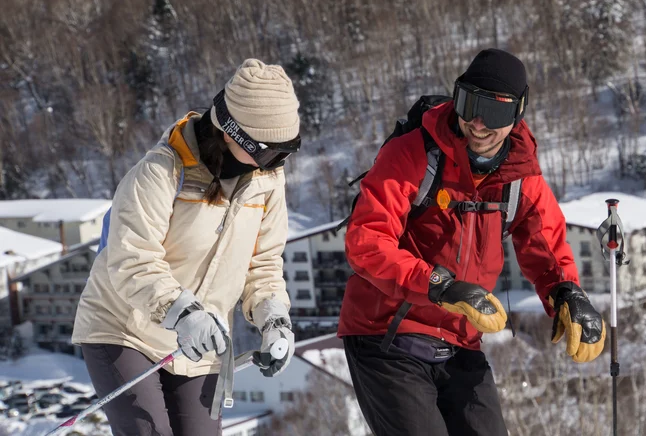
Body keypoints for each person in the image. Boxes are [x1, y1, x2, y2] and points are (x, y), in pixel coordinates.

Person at [339, 49, 607, 435]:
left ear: (517, 116)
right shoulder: (414, 154)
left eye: (495, 113)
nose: (478, 124)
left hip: (460, 340)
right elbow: (366, 241)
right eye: (469, 105)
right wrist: (438, 285)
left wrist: (567, 293)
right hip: (387, 335)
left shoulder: (520, 177)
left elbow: (546, 245)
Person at [72, 59, 301, 436]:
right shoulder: (162, 171)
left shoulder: (267, 181)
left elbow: (263, 264)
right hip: (124, 328)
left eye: (287, 151)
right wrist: (183, 313)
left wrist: (274, 319)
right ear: (232, 133)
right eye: (269, 152)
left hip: (199, 343)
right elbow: (132, 259)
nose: (276, 163)